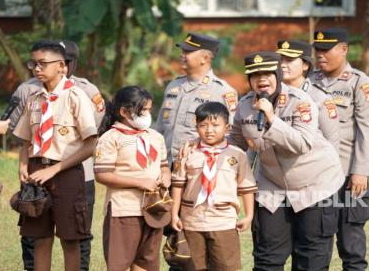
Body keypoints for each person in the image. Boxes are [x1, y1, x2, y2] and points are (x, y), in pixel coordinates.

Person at [228, 51, 344, 270]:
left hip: (315, 185)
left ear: (278, 75)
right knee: (266, 257)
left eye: (267, 74)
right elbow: (234, 142)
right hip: (272, 187)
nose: (261, 79)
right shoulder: (245, 105)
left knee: (311, 258)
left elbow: (301, 144)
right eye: (255, 75)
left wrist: (272, 118)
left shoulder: (301, 101)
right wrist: (203, 146)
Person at [8, 40, 104, 271]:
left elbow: (91, 144)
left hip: (66, 174)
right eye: (33, 64)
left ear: (61, 65)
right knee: (39, 238)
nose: (36, 69)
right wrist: (23, 164)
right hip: (35, 174)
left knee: (70, 239)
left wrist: (55, 169)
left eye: (43, 63)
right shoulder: (34, 99)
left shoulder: (76, 96)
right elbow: (26, 139)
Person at [310, 28, 369, 271]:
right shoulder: (309, 82)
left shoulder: (361, 84)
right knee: (318, 241)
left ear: (343, 49)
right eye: (317, 49)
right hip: (317, 176)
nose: (319, 54)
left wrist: (361, 171)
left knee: (352, 244)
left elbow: (367, 131)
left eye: (326, 49)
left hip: (349, 174)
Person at [171, 102, 257, 271]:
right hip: (192, 221)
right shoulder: (188, 153)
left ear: (227, 127)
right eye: (203, 125)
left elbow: (246, 187)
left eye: (215, 125)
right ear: (196, 128)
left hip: (223, 222)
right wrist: (174, 214)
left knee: (227, 266)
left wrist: (248, 215)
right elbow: (178, 185)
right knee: (193, 266)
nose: (209, 130)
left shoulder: (237, 154)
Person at [94, 86, 170, 271]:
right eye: (143, 110)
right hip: (124, 210)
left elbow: (163, 166)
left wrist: (166, 176)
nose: (147, 114)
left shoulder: (155, 137)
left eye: (149, 110)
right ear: (124, 112)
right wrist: (139, 182)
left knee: (146, 261)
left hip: (153, 209)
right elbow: (102, 174)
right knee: (119, 263)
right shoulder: (110, 138)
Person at [155, 32, 238, 167]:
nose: (182, 55)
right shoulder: (173, 85)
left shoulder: (222, 91)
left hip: (199, 169)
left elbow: (232, 135)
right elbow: (160, 128)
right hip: (166, 165)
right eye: (182, 51)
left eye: (187, 52)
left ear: (204, 58)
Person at [276, 40, 340, 151]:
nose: (282, 65)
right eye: (280, 60)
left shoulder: (320, 98)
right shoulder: (273, 94)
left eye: (289, 60)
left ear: (305, 65)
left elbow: (332, 143)